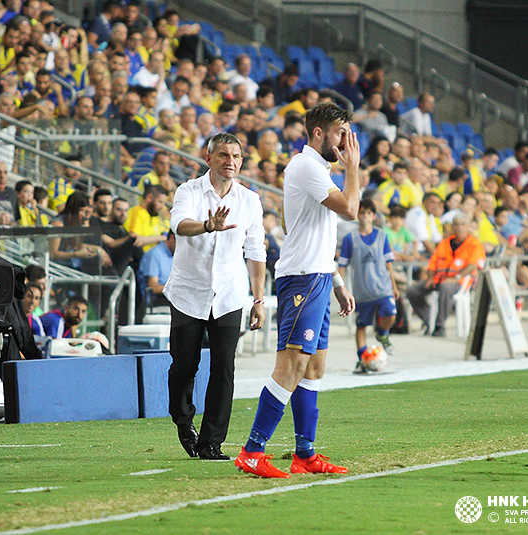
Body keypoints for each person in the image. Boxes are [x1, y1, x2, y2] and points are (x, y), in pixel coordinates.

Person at [236, 103, 359, 478]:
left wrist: (336, 281)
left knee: (314, 367)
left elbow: (316, 234)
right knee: (291, 364)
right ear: (318, 133)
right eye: (341, 133)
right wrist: (353, 169)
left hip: (318, 275)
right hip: (301, 280)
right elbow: (351, 210)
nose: (346, 142)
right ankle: (252, 451)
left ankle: (304, 453)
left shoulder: (318, 169)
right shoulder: (305, 166)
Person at [164, 132, 267, 460]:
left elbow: (256, 251)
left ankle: (211, 443)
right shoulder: (189, 191)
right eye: (223, 155)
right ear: (208, 159)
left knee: (224, 366)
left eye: (236, 156)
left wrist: (259, 299)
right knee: (184, 366)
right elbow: (179, 224)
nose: (230, 162)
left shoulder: (250, 200)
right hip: (189, 292)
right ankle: (183, 420)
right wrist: (208, 225)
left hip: (229, 294)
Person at [338, 199, 399, 367]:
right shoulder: (350, 239)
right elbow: (342, 265)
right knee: (362, 325)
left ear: (374, 216)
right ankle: (362, 357)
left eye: (368, 213)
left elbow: (389, 263)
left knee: (391, 313)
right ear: (357, 215)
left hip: (382, 287)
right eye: (362, 212)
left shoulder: (381, 236)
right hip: (362, 291)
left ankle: (383, 333)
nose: (365, 216)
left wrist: (393, 285)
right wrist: (340, 287)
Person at [406, 214, 486, 337]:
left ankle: (440, 326)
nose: (460, 227)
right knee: (412, 291)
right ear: (453, 227)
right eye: (457, 224)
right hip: (438, 279)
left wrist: (456, 277)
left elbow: (473, 265)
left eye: (463, 224)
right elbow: (432, 264)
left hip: (460, 282)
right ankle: (428, 321)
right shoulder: (444, 243)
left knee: (445, 289)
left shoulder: (475, 244)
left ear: (468, 227)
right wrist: (431, 278)